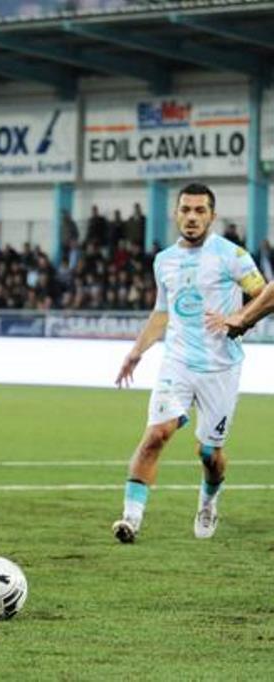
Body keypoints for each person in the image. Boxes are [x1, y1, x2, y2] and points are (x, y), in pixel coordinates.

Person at [112, 183, 264, 544]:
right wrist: (136, 351)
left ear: (212, 215)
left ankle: (208, 501)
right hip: (177, 363)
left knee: (209, 454)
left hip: (221, 368)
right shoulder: (164, 260)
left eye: (200, 210)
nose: (192, 217)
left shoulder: (232, 255)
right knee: (155, 435)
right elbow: (162, 312)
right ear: (176, 214)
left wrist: (241, 318)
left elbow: (265, 295)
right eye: (185, 210)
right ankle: (130, 519)